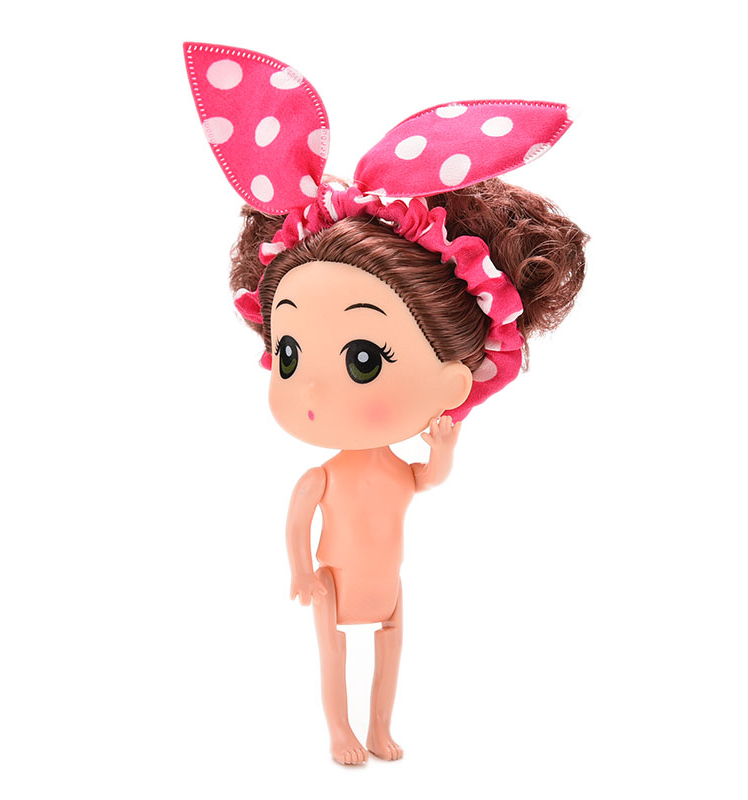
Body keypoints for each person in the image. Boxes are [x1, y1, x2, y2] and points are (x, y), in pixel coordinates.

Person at [185, 42, 587, 765]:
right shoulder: (322, 477)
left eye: (362, 360)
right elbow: (299, 521)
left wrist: (443, 448)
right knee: (335, 654)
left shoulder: (396, 466)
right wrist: (300, 570)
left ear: (457, 382)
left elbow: (426, 480)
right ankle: (341, 730)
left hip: (387, 586)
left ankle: (380, 727)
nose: (311, 389)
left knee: (393, 648)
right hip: (333, 587)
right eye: (289, 353)